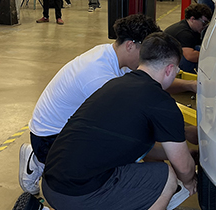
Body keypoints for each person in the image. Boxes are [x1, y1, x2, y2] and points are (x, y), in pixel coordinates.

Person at [3, 33, 197, 210]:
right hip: (80, 192)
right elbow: (183, 166)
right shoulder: (160, 103)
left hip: (54, 183)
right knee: (167, 176)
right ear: (169, 69)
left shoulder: (115, 82)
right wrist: (190, 181)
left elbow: (145, 149)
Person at [19, 14, 196, 197]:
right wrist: (181, 147)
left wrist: (190, 86)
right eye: (146, 51)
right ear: (130, 45)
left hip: (62, 127)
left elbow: (154, 81)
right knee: (130, 142)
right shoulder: (100, 76)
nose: (149, 58)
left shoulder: (112, 55)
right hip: (50, 139)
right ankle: (37, 160)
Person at [164, 3, 212, 73]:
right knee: (194, 56)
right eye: (204, 23)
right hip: (165, 60)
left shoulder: (193, 29)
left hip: (171, 55)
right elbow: (190, 56)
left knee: (199, 49)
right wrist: (211, 56)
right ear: (192, 19)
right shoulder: (184, 33)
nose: (204, 26)